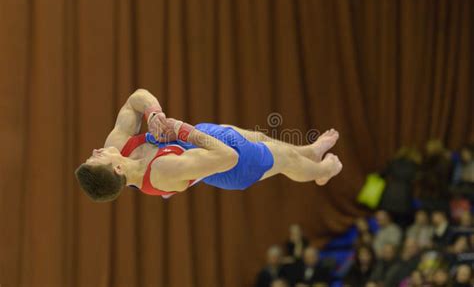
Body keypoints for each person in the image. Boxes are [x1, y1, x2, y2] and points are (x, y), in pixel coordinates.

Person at [75, 89, 343, 201]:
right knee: (284, 159)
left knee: (257, 137)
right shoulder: (162, 172)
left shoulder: (117, 146)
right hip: (232, 167)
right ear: (119, 169)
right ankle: (322, 172)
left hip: (204, 138)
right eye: (97, 159)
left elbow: (136, 98)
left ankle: (310, 151)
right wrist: (183, 131)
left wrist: (153, 113)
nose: (96, 151)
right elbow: (228, 157)